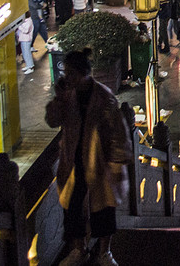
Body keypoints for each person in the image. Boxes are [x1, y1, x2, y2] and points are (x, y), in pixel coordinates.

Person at [45, 50, 133, 266]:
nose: (67, 78)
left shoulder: (104, 97)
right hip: (73, 163)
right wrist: (58, 99)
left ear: (83, 73)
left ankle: (105, 252)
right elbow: (52, 120)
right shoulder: (68, 96)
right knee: (72, 208)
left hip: (100, 164)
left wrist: (116, 162)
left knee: (104, 210)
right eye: (66, 73)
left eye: (71, 73)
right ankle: (78, 249)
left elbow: (118, 133)